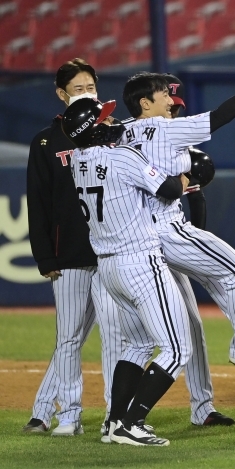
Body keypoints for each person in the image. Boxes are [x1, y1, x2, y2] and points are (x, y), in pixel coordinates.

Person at [118, 56, 235, 376]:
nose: (170, 99)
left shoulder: (118, 134)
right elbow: (222, 115)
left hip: (133, 237)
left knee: (216, 276)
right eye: (163, 94)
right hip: (165, 228)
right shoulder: (164, 129)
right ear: (144, 103)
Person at [63, 97, 192, 446]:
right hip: (139, 261)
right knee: (178, 350)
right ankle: (131, 422)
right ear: (93, 130)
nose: (112, 120)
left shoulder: (76, 159)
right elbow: (168, 189)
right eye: (103, 119)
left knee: (138, 344)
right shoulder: (121, 156)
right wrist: (189, 175)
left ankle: (113, 422)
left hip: (109, 267)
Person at [25, 58, 121, 437]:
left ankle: (117, 414)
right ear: (61, 94)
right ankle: (69, 415)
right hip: (70, 257)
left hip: (112, 253)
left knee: (115, 337)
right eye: (78, 89)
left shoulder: (116, 133)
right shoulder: (47, 142)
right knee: (68, 338)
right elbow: (39, 203)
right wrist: (44, 255)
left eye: (90, 86)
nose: (86, 93)